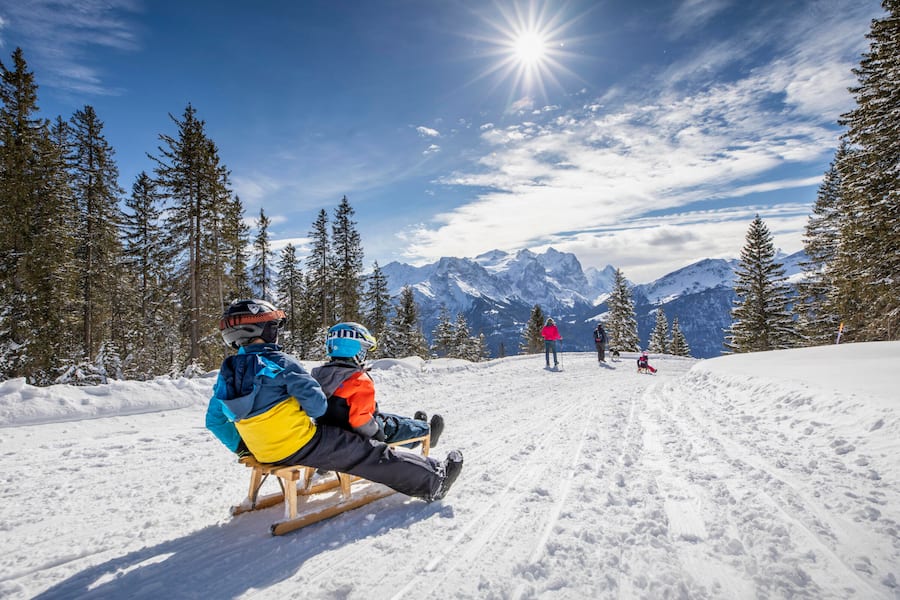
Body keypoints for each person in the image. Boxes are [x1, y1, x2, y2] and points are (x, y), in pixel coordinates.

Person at [205, 299, 463, 502]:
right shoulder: (281, 363)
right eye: (274, 326)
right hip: (299, 444)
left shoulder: (227, 372)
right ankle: (434, 482)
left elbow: (214, 421)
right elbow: (317, 406)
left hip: (260, 451)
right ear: (264, 329)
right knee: (368, 453)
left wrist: (244, 449)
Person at [312, 322, 444, 450]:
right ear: (353, 349)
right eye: (363, 350)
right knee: (393, 425)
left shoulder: (317, 376)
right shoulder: (358, 381)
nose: (364, 354)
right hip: (358, 435)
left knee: (385, 417)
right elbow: (360, 420)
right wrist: (377, 435)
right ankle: (426, 431)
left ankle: (417, 424)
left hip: (330, 432)